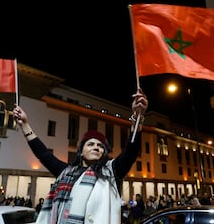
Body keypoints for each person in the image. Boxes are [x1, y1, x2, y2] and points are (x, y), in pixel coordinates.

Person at [13, 88, 148, 224]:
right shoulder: (66, 172)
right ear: (81, 151)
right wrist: (25, 125)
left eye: (100, 146)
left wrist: (137, 118)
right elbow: (43, 154)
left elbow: (130, 152)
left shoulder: (111, 172)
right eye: (90, 144)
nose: (96, 147)